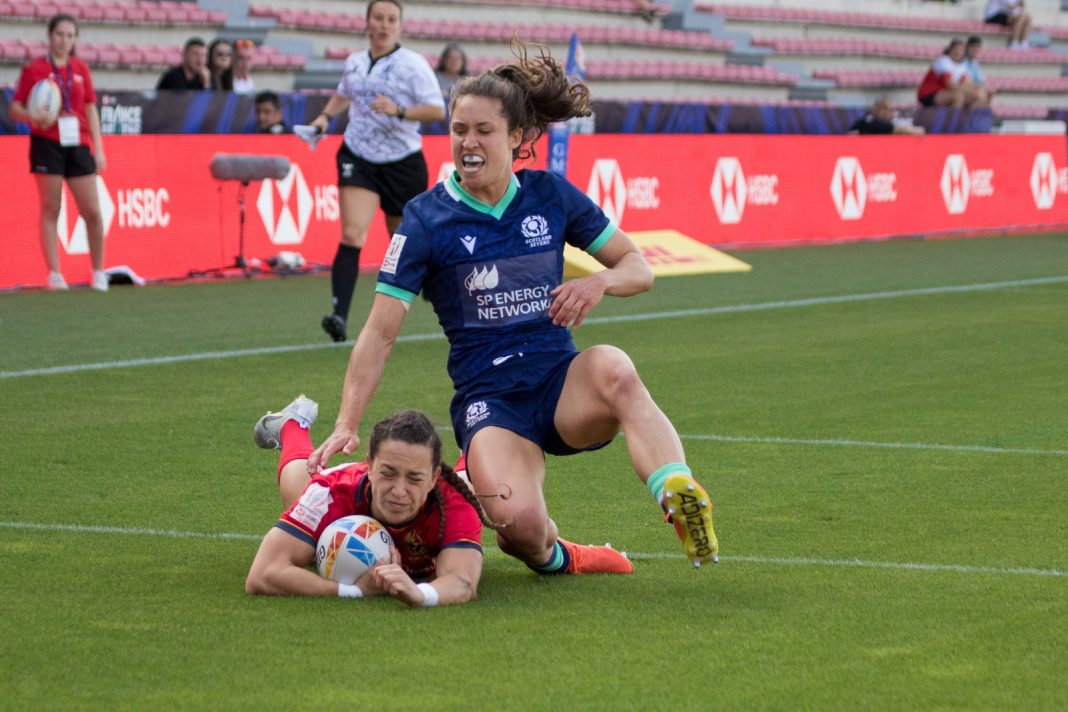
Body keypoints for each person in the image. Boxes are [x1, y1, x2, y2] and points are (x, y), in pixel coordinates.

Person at [307, 38, 718, 575]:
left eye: (483, 130)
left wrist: (599, 283)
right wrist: (346, 422)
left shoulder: (549, 195)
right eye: (459, 130)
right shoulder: (426, 219)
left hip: (560, 386)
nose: (468, 142)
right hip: (491, 402)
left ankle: (677, 492)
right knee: (518, 527)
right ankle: (563, 554)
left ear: (517, 137)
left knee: (615, 367)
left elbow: (637, 267)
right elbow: (379, 333)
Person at [246, 396, 485, 606]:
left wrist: (420, 594)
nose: (399, 491)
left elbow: (462, 582)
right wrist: (355, 591)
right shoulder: (330, 492)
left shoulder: (455, 500)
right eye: (388, 473)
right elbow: (263, 574)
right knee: (301, 486)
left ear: (434, 477)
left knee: (477, 486)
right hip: (334, 489)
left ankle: (470, 449)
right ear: (369, 466)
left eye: (414, 478)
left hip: (456, 487)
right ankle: (293, 425)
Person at [308, 0, 446, 344]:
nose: (384, 25)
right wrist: (325, 117)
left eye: (391, 19)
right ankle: (339, 316)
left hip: (402, 161)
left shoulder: (412, 64)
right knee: (352, 233)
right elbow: (343, 95)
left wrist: (399, 110)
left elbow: (436, 110)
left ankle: (440, 292)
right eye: (378, 18)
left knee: (403, 240)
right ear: (367, 22)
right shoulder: (354, 62)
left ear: (399, 25)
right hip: (359, 155)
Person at [9, 13, 108, 292]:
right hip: (47, 143)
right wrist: (32, 115)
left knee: (92, 211)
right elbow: (15, 107)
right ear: (50, 35)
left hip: (78, 143)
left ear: (75, 39)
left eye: (69, 35)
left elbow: (90, 107)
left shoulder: (81, 68)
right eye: (59, 34)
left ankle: (98, 271)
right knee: (51, 208)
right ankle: (54, 273)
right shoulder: (35, 69)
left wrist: (99, 147)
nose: (64, 40)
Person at [917, 38, 989, 108]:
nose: (958, 52)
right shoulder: (943, 61)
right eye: (956, 49)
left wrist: (978, 90)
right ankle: (953, 116)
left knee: (974, 97)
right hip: (929, 94)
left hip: (944, 92)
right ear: (950, 49)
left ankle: (971, 116)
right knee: (957, 96)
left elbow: (968, 82)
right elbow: (950, 84)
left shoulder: (961, 65)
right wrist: (972, 92)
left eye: (961, 50)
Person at [848, 97, 926, 135]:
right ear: (879, 109)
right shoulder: (870, 122)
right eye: (890, 110)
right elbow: (900, 130)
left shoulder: (867, 121)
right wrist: (914, 130)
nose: (892, 113)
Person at [963, 35, 997, 104]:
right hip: (964, 88)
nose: (975, 49)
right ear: (967, 47)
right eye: (973, 46)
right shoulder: (961, 61)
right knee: (979, 94)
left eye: (978, 47)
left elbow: (981, 80)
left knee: (990, 91)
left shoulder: (974, 63)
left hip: (974, 88)